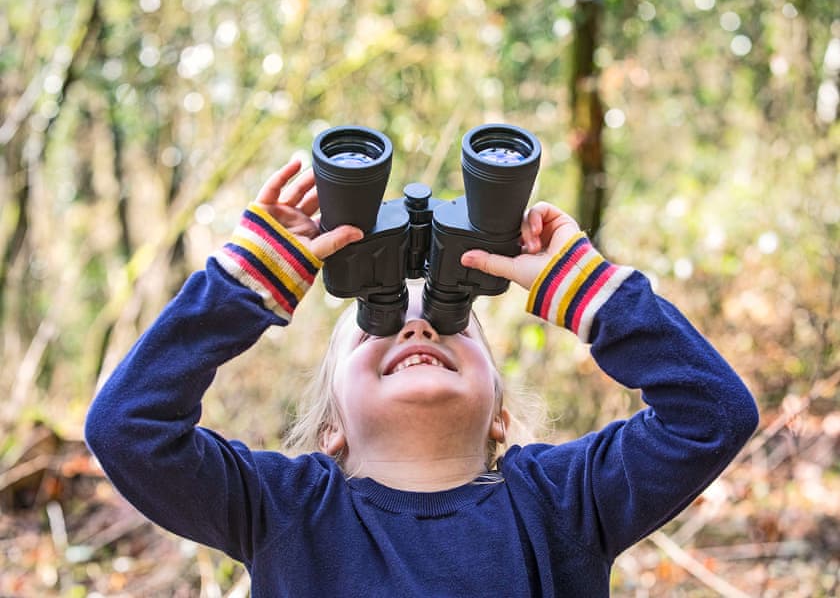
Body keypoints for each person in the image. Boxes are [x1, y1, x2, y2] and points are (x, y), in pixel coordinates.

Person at [85, 157, 759, 597]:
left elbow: (712, 414)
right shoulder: (284, 508)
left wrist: (587, 289)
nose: (418, 327)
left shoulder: (562, 502)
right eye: (376, 326)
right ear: (330, 429)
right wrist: (246, 283)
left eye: (453, 324)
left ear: (500, 411)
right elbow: (127, 429)